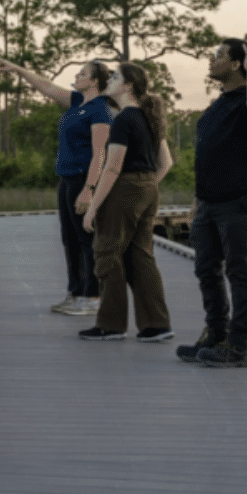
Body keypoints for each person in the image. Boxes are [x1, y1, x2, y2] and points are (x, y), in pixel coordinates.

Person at [176, 39, 247, 367]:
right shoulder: (216, 107)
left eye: (219, 55)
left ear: (235, 64)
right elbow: (210, 158)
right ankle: (216, 335)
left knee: (238, 270)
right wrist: (197, 202)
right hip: (209, 202)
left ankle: (239, 347)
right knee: (206, 269)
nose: (212, 59)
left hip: (240, 198)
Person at [0, 57, 112, 316]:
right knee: (69, 238)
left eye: (83, 73)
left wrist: (89, 188)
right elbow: (46, 86)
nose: (77, 76)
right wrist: (18, 69)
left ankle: (93, 297)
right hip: (67, 178)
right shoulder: (77, 102)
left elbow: (100, 153)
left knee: (86, 238)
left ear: (95, 81)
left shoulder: (100, 110)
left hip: (84, 178)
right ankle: (75, 293)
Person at [77, 63, 174, 341]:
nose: (110, 79)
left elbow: (112, 167)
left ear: (128, 86)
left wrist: (93, 208)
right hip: (148, 187)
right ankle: (156, 325)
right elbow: (166, 163)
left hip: (124, 188)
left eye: (116, 77)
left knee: (107, 252)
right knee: (141, 256)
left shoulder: (123, 120)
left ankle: (111, 325)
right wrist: (146, 185)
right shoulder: (150, 117)